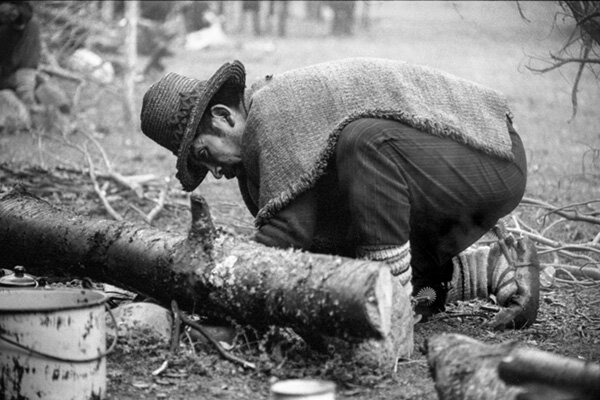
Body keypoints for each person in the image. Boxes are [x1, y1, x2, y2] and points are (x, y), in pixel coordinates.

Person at [140, 58, 531, 320]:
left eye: (205, 154)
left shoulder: (273, 111)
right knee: (341, 228)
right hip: (446, 179)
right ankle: (489, 269)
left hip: (491, 152)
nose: (215, 173)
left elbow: (286, 234)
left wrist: (205, 281)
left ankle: (390, 313)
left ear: (223, 117)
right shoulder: (254, 165)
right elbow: (302, 248)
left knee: (365, 142)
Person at [0, 1, 40, 108]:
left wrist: (16, 13)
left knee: (31, 24)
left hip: (10, 64)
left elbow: (26, 9)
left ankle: (25, 89)